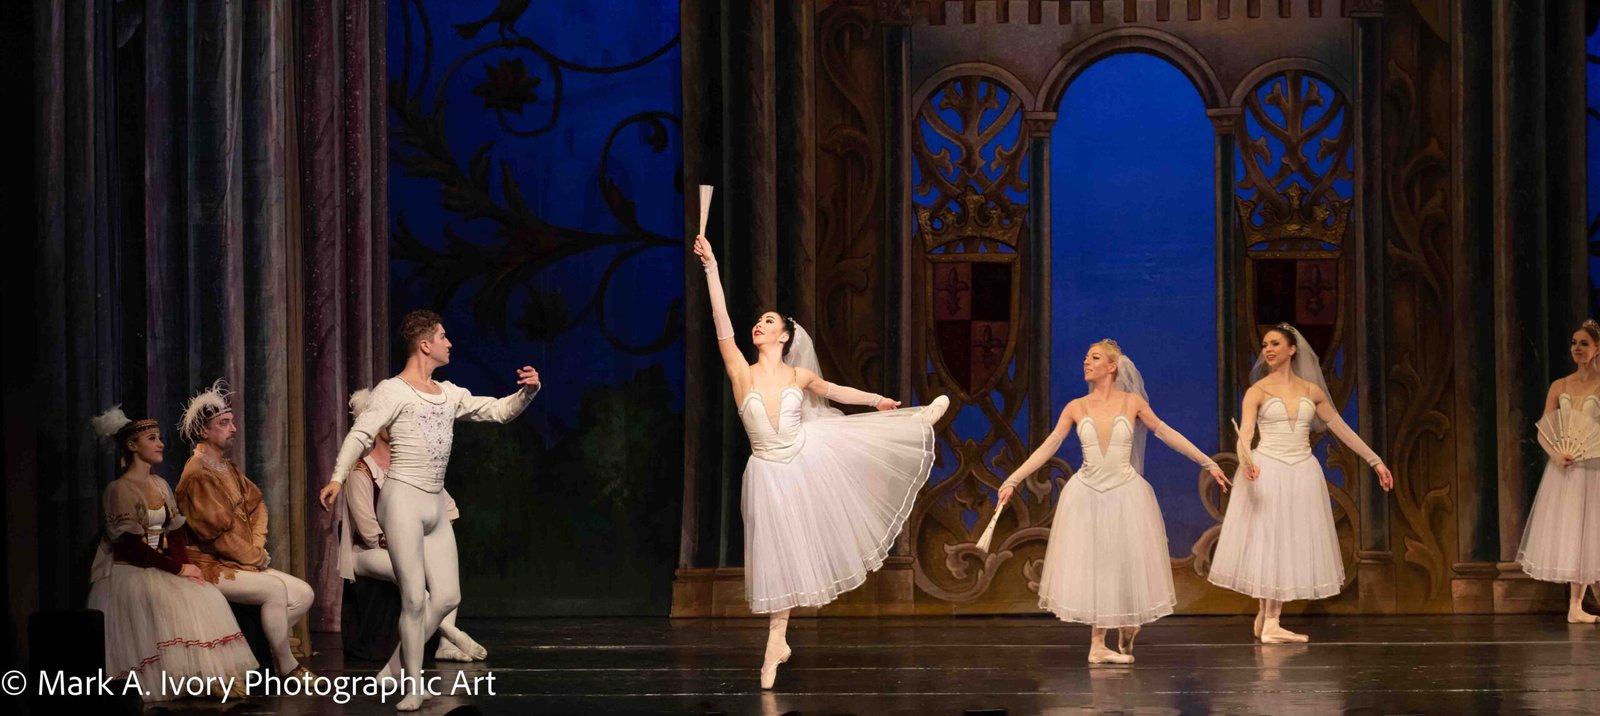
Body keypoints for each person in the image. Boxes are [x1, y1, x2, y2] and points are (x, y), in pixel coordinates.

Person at [693, 234, 949, 689]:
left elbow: (834, 392)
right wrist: (712, 267)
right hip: (768, 471)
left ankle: (914, 422)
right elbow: (721, 321)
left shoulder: (799, 374)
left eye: (768, 321)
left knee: (853, 438)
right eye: (757, 321)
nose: (758, 325)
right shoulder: (740, 371)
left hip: (804, 455)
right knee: (778, 555)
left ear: (784, 336)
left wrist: (876, 400)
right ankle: (777, 640)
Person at [320, 310, 540, 711]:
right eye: (443, 336)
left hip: (435, 502)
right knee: (414, 599)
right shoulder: (392, 390)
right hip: (402, 499)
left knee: (448, 596)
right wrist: (337, 477)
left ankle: (392, 667)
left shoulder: (449, 393)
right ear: (425, 345)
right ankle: (412, 686)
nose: (449, 343)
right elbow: (361, 434)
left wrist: (527, 393)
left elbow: (497, 410)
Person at [997, 340, 1228, 664]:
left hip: (1124, 490)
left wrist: (1208, 462)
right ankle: (1097, 645)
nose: (1086, 362)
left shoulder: (1132, 402)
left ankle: (1127, 619)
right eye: (1085, 357)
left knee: (1123, 560)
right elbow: (1049, 445)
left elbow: (1166, 432)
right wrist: (1013, 479)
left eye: (1094, 357)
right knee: (1098, 563)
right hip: (1087, 492)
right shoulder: (1076, 407)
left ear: (1112, 366)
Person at [1207, 324, 1394, 643]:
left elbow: (1341, 429)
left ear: (1292, 349)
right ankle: (1271, 621)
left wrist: (1374, 460)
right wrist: (1246, 460)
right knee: (1270, 540)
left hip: (1301, 471)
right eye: (1265, 344)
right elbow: (1245, 434)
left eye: (1275, 343)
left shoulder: (1312, 391)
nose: (1268, 349)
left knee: (1288, 540)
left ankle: (1268, 617)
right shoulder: (1257, 391)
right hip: (1268, 468)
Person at [88, 406, 257, 700]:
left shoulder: (160, 484)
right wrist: (178, 569)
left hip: (160, 566)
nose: (161, 444)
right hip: (130, 570)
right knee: (167, 601)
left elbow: (175, 534)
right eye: (152, 439)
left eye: (160, 437)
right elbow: (130, 547)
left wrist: (187, 567)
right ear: (132, 446)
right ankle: (186, 679)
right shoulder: (120, 489)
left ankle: (209, 676)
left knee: (205, 594)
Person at [175, 379, 316, 677]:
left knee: (303, 594)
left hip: (240, 560)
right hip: (212, 565)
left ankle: (260, 650)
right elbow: (217, 536)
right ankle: (287, 666)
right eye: (224, 423)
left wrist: (257, 546)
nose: (234, 428)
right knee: (275, 590)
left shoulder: (226, 466)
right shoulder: (198, 474)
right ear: (204, 431)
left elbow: (257, 504)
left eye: (232, 421)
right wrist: (254, 557)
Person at [1517, 318, 1600, 623]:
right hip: (1567, 469)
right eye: (1574, 343)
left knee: (1593, 536)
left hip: (1594, 467)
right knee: (1576, 534)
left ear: (1597, 348)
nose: (1577, 348)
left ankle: (1579, 606)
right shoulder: (1560, 385)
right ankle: (1575, 607)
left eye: (1584, 343)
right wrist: (1555, 454)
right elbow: (1543, 430)